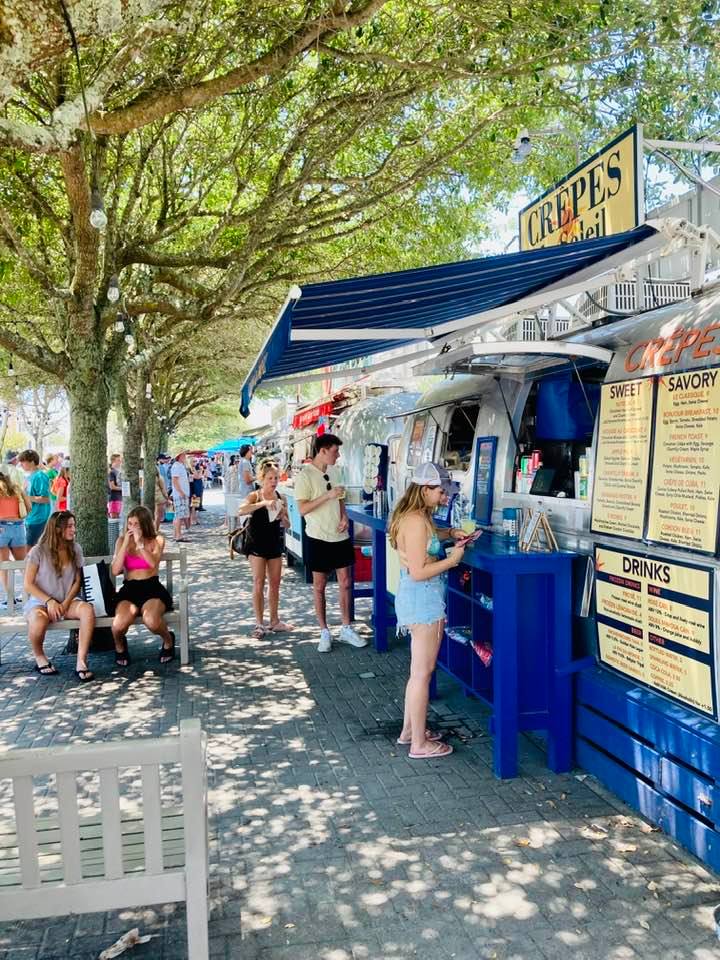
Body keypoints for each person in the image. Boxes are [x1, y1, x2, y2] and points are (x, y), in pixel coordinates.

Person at [388, 462, 469, 760]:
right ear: (424, 490)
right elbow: (420, 572)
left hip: (415, 599)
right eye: (439, 490)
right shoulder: (416, 521)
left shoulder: (414, 517)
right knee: (422, 674)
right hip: (424, 599)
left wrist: (450, 532)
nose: (444, 496)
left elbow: (431, 536)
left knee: (417, 673)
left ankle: (410, 732)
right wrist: (453, 559)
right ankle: (419, 744)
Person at [294, 433, 366, 652]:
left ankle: (346, 627)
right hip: (317, 536)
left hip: (339, 535)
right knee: (320, 586)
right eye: (335, 451)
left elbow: (340, 497)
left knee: (345, 581)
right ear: (323, 451)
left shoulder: (335, 471)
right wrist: (328, 496)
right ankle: (324, 631)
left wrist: (344, 516)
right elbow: (303, 509)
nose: (338, 455)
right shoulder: (305, 475)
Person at [23, 511, 96, 681]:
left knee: (87, 610)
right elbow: (28, 584)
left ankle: (81, 662)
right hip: (41, 601)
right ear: (57, 529)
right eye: (69, 526)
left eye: (73, 526)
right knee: (38, 621)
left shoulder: (75, 548)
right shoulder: (38, 551)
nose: (74, 530)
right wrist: (49, 602)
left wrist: (65, 603)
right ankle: (39, 656)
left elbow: (78, 581)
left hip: (67, 600)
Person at [111, 505, 175, 666]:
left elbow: (153, 563)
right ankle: (120, 646)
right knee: (118, 625)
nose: (132, 528)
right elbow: (115, 570)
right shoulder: (121, 541)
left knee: (151, 620)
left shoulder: (157, 539)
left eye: (136, 524)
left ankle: (168, 640)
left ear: (144, 524)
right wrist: (125, 544)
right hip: (130, 588)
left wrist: (140, 545)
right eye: (129, 523)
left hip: (151, 588)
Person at [238, 460, 292, 638]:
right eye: (270, 478)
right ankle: (259, 624)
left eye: (276, 478)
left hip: (274, 543)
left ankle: (274, 621)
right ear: (262, 479)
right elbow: (240, 510)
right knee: (259, 582)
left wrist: (283, 517)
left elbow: (288, 525)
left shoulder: (280, 497)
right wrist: (263, 504)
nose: (274, 481)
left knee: (275, 583)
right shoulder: (255, 495)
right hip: (256, 544)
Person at [0, 468, 31, 607]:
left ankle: (10, 599)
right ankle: (30, 595)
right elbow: (29, 507)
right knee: (23, 564)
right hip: (18, 526)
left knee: (4, 566)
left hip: (1, 527)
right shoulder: (17, 489)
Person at [18, 449, 51, 547]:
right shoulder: (29, 477)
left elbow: (45, 499)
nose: (21, 464)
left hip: (38, 519)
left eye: (23, 461)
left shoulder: (40, 476)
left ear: (32, 462)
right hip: (30, 518)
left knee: (30, 549)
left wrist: (26, 497)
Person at [170, 452, 191, 543]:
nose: (185, 457)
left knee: (178, 515)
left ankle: (176, 534)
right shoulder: (176, 466)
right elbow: (175, 480)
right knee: (179, 515)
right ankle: (178, 535)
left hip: (182, 493)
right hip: (180, 494)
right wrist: (181, 492)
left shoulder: (180, 465)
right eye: (183, 455)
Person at [154, 457, 170, 530]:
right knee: (158, 515)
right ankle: (156, 529)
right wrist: (167, 499)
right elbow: (163, 490)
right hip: (159, 498)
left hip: (151, 498)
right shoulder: (160, 478)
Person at [107, 454, 123, 519]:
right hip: (114, 499)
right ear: (113, 461)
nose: (120, 462)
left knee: (119, 520)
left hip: (119, 498)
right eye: (118, 460)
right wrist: (123, 489)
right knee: (114, 520)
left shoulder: (118, 472)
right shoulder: (111, 472)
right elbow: (112, 486)